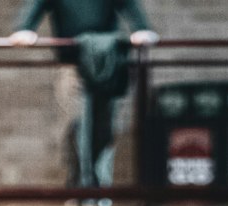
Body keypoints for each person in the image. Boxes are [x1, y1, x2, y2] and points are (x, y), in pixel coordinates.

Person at [10, 3, 159, 195]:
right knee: (75, 124)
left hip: (108, 64)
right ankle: (79, 188)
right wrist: (24, 28)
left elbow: (133, 10)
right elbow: (32, 9)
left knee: (105, 128)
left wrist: (142, 29)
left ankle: (101, 189)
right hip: (72, 65)